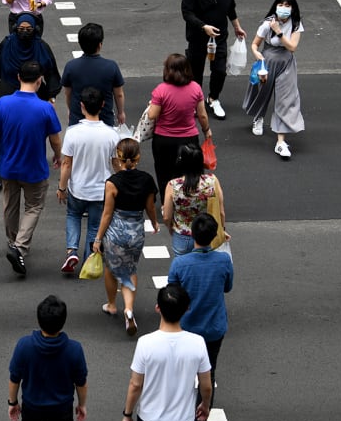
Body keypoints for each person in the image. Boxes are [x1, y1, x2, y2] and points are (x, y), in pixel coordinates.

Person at [119, 285, 212, 421]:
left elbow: (135, 384)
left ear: (157, 308)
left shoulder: (146, 343)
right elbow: (206, 386)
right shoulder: (197, 343)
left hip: (150, 418)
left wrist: (127, 414)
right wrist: (205, 405)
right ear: (187, 309)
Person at [0, 61, 63, 277]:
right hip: (34, 168)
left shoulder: (3, 104)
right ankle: (20, 246)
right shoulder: (46, 108)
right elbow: (55, 139)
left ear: (18, 77)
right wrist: (58, 155)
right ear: (39, 80)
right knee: (34, 206)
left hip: (8, 167)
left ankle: (12, 241)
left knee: (10, 205)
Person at [8, 295, 88, 421]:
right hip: (61, 410)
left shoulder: (25, 345)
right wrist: (81, 405)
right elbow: (81, 382)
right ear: (63, 321)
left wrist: (12, 402)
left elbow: (15, 377)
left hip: (32, 406)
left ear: (38, 319)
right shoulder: (74, 349)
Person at [168, 213, 233, 421]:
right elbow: (228, 286)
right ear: (214, 235)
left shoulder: (180, 264)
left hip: (187, 327)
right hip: (214, 327)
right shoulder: (224, 261)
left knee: (182, 373)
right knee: (208, 373)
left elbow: (172, 294)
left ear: (192, 234)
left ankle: (180, 419)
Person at [92, 138, 158, 335]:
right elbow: (150, 207)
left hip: (116, 232)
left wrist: (97, 239)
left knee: (112, 269)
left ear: (118, 158)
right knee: (130, 269)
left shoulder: (113, 183)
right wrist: (154, 222)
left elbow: (107, 214)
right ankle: (128, 309)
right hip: (136, 230)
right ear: (138, 157)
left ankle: (112, 304)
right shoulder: (147, 180)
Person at [57, 87, 120, 273]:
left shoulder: (73, 132)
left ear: (81, 106)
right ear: (102, 105)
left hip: (77, 187)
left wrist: (61, 188)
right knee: (94, 225)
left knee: (73, 216)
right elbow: (115, 163)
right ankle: (90, 258)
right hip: (101, 190)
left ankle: (71, 251)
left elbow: (66, 164)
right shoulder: (111, 135)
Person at [181, 0, 247, 120]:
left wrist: (237, 27)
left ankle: (213, 98)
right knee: (195, 73)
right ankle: (196, 102)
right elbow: (187, 14)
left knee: (219, 70)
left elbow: (230, 9)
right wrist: (203, 27)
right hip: (198, 39)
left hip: (219, 38)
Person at [244, 0, 305, 160]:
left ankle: (280, 141)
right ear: (276, 6)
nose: (283, 8)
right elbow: (255, 45)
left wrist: (279, 32)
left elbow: (292, 47)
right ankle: (258, 117)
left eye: (287, 5)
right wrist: (257, 55)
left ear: (292, 8)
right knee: (262, 92)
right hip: (268, 60)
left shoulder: (295, 24)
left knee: (286, 99)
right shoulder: (267, 23)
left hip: (286, 63)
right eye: (281, 5)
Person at [146, 53, 212, 194]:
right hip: (189, 138)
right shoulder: (195, 88)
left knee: (164, 172)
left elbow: (152, 115)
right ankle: (187, 199)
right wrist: (206, 130)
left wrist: (152, 104)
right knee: (189, 171)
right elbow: (202, 115)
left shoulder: (161, 90)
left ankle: (166, 202)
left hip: (164, 140)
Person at [161, 143, 226, 257]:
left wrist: (171, 228)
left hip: (182, 235)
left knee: (183, 270)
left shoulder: (173, 185)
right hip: (207, 234)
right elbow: (221, 212)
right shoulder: (212, 181)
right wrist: (222, 230)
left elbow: (166, 216)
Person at [0, 13, 62, 105]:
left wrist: (52, 97)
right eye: (21, 29)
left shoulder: (41, 47)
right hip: (9, 90)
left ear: (35, 29)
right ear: (16, 28)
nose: (24, 32)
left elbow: (51, 73)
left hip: (35, 92)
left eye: (28, 29)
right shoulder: (7, 44)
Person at [62, 22, 125, 127]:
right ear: (100, 45)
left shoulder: (71, 66)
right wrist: (121, 112)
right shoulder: (111, 66)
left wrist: (71, 111)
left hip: (78, 120)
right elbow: (119, 94)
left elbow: (68, 94)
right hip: (104, 120)